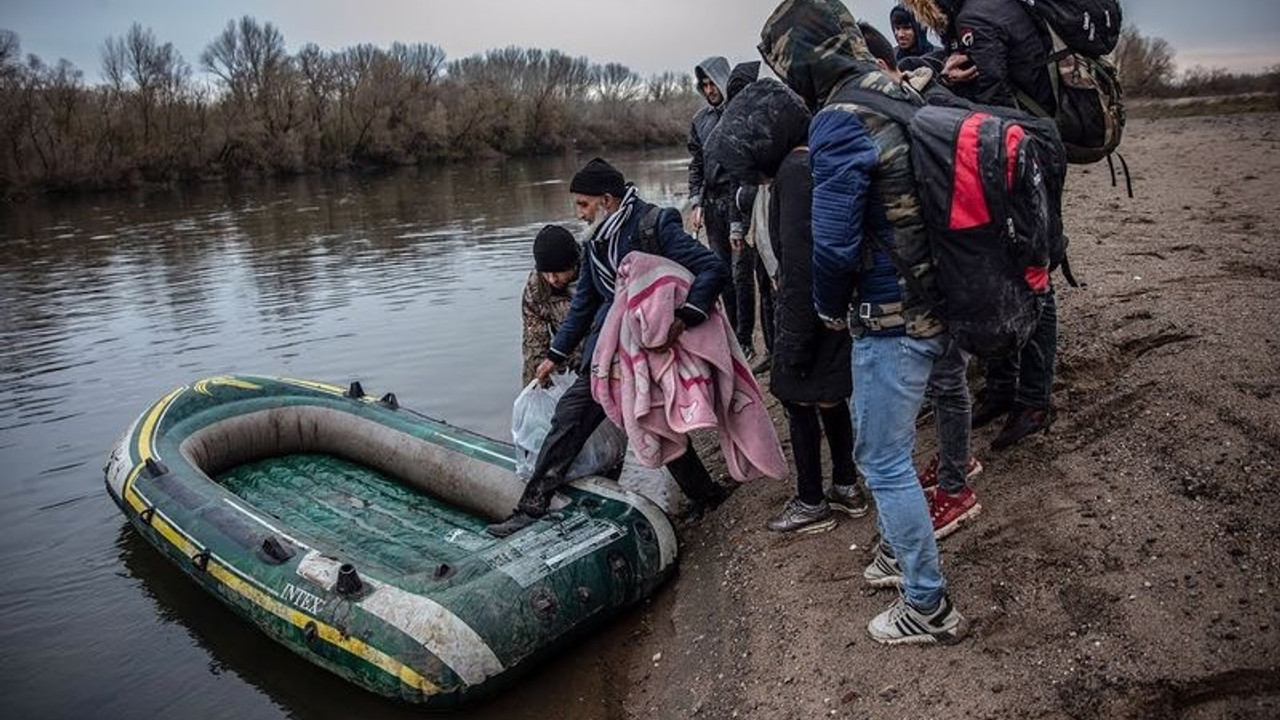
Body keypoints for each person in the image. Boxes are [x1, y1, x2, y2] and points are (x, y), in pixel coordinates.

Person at [759, 0, 964, 644]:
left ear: (800, 60)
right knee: (896, 450)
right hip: (944, 296)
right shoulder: (895, 86)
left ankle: (929, 607)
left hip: (891, 313)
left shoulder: (838, 118)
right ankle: (898, 554)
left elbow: (835, 243)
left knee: (882, 460)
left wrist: (826, 307)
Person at [487, 158, 732, 538]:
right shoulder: (596, 243)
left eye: (583, 204)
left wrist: (682, 318)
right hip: (607, 354)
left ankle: (707, 496)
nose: (579, 213)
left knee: (659, 424)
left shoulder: (655, 225)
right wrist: (553, 356)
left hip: (652, 351)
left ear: (606, 200)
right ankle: (530, 507)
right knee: (569, 415)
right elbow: (584, 305)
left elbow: (713, 268)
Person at [705, 77, 869, 534]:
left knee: (798, 401)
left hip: (809, 311)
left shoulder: (795, 175)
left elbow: (800, 265)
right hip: (830, 309)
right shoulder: (809, 162)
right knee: (832, 398)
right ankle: (846, 486)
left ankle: (812, 500)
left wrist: (791, 340)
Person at [903, 0, 1059, 449]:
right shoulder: (977, 14)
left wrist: (938, 87)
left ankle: (1033, 400)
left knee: (1033, 277)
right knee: (1012, 273)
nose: (921, 17)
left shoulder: (976, 21)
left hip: (1022, 160)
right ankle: (1004, 388)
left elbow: (989, 113)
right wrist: (938, 73)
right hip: (1020, 156)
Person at [860, 22, 983, 538]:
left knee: (950, 380)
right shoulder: (912, 103)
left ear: (882, 66)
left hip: (946, 267)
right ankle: (959, 463)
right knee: (946, 380)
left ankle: (956, 487)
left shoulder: (919, 108)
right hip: (943, 266)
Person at [520, 225, 580, 385]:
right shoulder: (537, 288)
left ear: (573, 264)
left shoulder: (596, 274)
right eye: (546, 272)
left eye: (558, 272)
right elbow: (534, 343)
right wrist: (535, 384)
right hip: (566, 360)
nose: (552, 279)